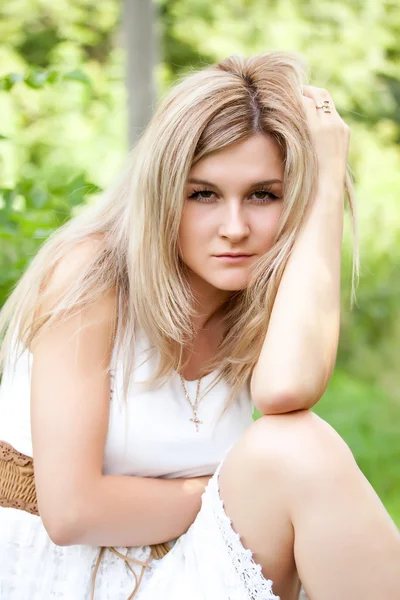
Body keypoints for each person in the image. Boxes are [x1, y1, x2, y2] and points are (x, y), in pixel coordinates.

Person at [0, 50, 399, 600]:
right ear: (164, 192)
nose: (234, 228)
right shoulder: (93, 275)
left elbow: (286, 392)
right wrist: (233, 494)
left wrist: (329, 185)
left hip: (186, 562)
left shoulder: (259, 294)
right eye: (203, 194)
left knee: (299, 443)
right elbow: (70, 513)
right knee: (293, 456)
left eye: (264, 194)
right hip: (67, 576)